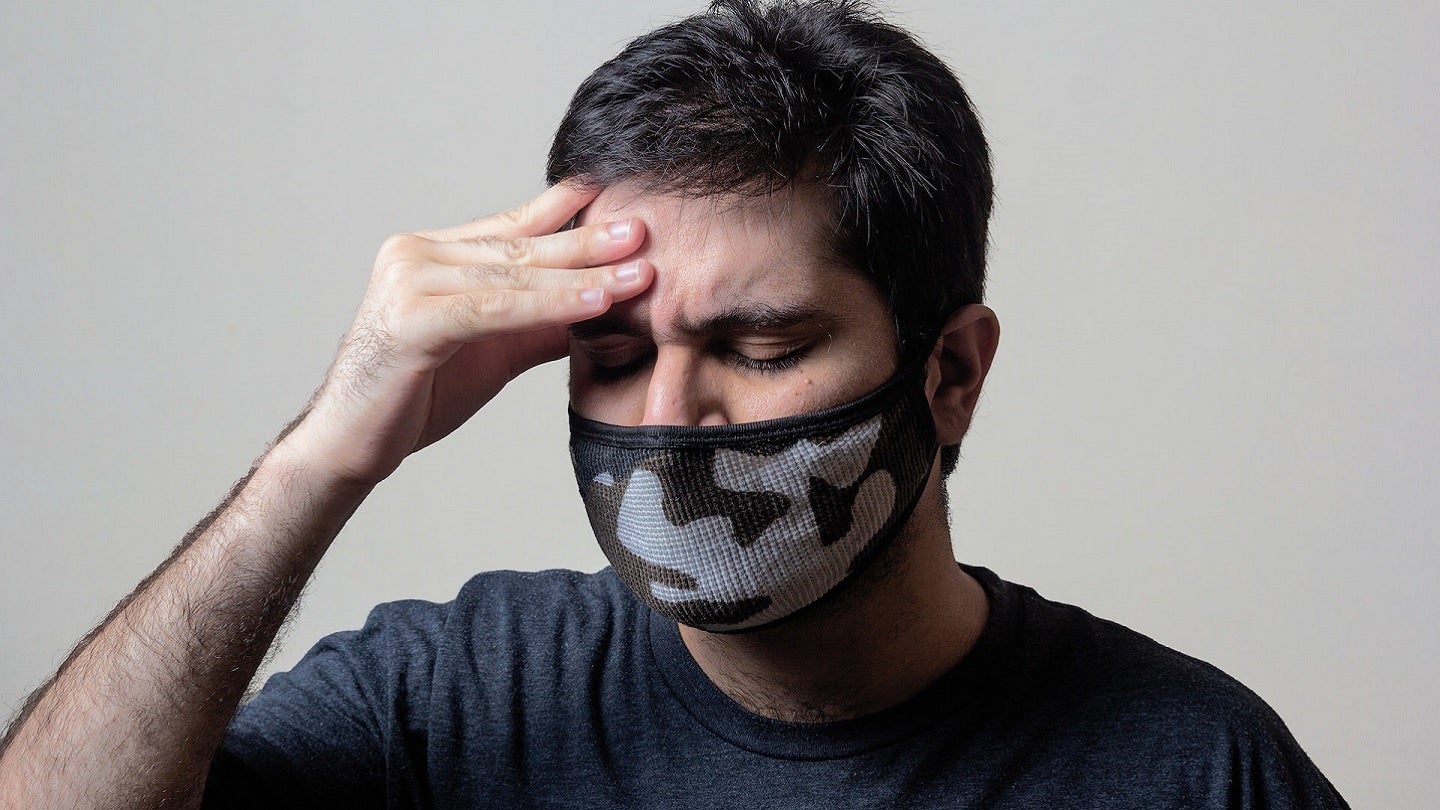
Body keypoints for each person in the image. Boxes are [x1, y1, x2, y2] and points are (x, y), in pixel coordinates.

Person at [0, 1, 1348, 807]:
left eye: (759, 345)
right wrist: (322, 460)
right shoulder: (449, 696)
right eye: (612, 354)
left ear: (950, 374)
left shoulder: (1194, 765)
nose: (665, 416)